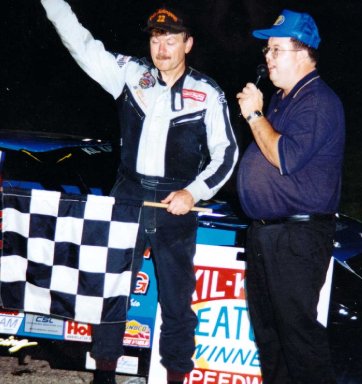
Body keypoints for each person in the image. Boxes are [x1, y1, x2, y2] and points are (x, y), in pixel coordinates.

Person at [40, 1, 238, 383]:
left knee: (178, 300)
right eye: (156, 38)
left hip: (176, 202)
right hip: (127, 194)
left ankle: (177, 376)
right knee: (110, 290)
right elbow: (81, 44)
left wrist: (193, 193)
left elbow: (227, 154)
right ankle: (104, 375)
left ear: (188, 44)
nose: (161, 48)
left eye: (171, 40)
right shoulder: (130, 74)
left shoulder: (207, 92)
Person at [236, 9, 345, 384]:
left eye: (276, 50)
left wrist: (254, 116)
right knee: (271, 337)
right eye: (267, 50)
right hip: (269, 233)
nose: (267, 58)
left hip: (296, 237)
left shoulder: (316, 100)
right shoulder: (284, 99)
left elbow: (285, 157)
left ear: (303, 54)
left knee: (298, 337)